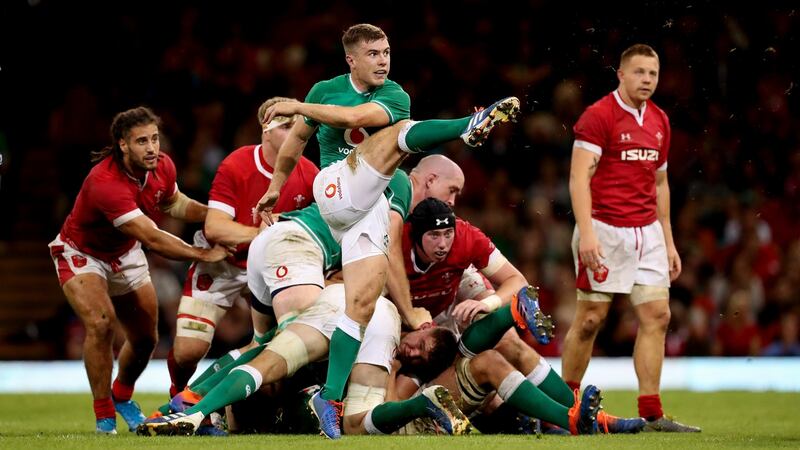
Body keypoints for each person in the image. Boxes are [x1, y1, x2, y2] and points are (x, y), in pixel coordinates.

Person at [255, 23, 519, 438]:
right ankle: (467, 125)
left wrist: (299, 105)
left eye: (387, 53)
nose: (383, 61)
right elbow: (296, 142)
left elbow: (356, 118)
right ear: (351, 60)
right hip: (336, 188)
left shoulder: (395, 95)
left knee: (361, 306)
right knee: (399, 135)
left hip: (368, 209)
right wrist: (275, 186)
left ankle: (330, 397)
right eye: (373, 54)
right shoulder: (326, 90)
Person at [47, 106, 230, 434]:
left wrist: (215, 214)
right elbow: (153, 238)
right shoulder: (105, 183)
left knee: (146, 339)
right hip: (82, 253)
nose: (152, 148)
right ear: (123, 144)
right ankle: (104, 417)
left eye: (155, 139)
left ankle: (121, 395)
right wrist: (202, 252)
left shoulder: (162, 165)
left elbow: (174, 203)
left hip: (123, 251)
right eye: (142, 141)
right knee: (101, 324)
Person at [394, 198, 644, 435]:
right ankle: (566, 419)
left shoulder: (464, 237)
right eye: (434, 235)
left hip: (436, 324)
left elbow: (517, 280)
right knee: (476, 370)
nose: (443, 243)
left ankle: (575, 418)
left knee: (502, 347)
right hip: (404, 334)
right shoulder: (392, 241)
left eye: (447, 234)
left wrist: (488, 303)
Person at [560, 44, 700, 432]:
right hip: (604, 228)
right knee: (591, 319)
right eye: (639, 72)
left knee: (658, 315)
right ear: (621, 75)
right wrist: (587, 235)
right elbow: (578, 178)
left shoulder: (659, 120)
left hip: (647, 232)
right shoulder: (598, 116)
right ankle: (564, 408)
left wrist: (668, 241)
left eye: (653, 74)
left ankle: (652, 414)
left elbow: (660, 183)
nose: (647, 80)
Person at [137, 284, 471, 437]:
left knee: (264, 360)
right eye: (421, 344)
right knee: (351, 422)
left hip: (340, 297)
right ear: (424, 328)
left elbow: (255, 352)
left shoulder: (398, 355)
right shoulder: (392, 332)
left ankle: (193, 409)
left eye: (420, 357)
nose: (413, 351)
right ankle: (194, 408)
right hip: (363, 307)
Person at [166, 97, 318, 398]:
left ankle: (269, 406)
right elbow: (215, 227)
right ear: (265, 130)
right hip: (224, 262)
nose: (296, 133)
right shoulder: (237, 164)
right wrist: (261, 233)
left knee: (282, 343)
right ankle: (178, 395)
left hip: (273, 270)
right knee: (187, 353)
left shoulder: (311, 174)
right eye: (286, 126)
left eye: (299, 126)